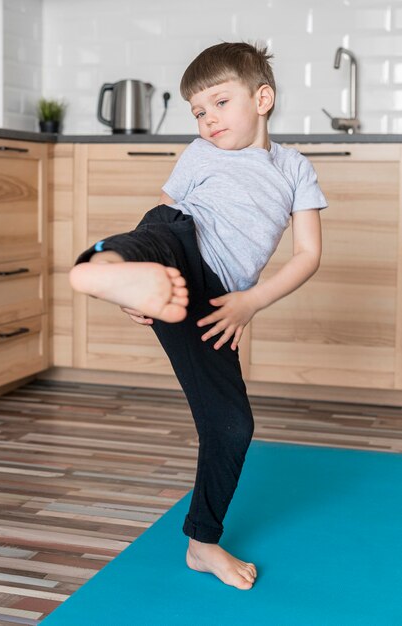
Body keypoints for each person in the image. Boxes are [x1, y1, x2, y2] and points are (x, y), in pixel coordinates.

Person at [69, 41, 328, 591]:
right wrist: (140, 279)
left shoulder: (293, 169)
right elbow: (158, 218)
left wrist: (251, 301)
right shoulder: (200, 154)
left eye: (218, 103)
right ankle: (107, 270)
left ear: (263, 99)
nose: (208, 119)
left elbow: (308, 255)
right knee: (152, 236)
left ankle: (201, 543)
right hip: (179, 245)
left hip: (217, 301)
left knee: (233, 426)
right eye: (198, 111)